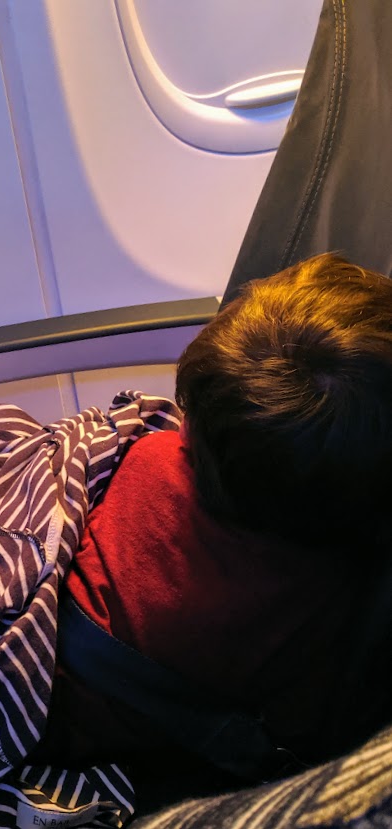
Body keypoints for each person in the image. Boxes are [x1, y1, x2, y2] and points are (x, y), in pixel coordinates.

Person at [34, 253, 392, 807]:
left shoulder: (151, 452)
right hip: (58, 723)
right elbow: (308, 736)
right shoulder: (327, 604)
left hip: (21, 668)